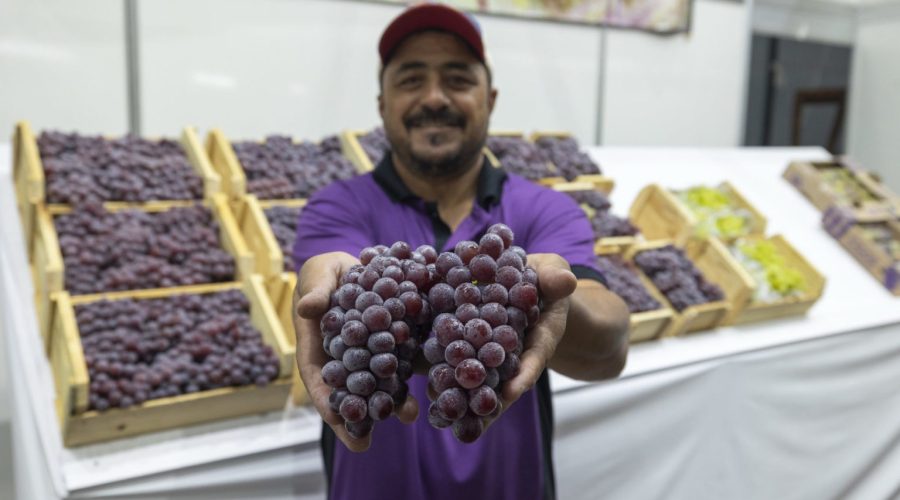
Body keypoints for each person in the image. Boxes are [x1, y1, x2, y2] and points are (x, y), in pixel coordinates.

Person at [291, 4, 630, 499]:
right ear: (381, 102)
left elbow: (611, 348)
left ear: (489, 99)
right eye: (410, 80)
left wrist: (547, 295)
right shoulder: (337, 206)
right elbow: (333, 284)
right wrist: (332, 289)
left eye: (457, 78)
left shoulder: (544, 209)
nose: (434, 97)